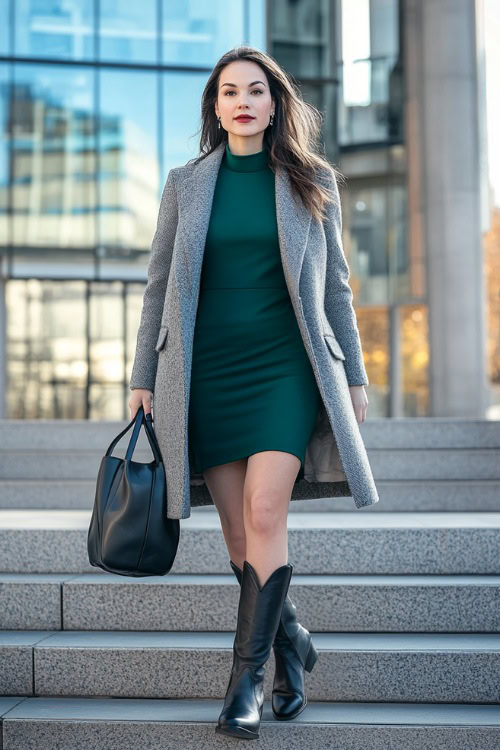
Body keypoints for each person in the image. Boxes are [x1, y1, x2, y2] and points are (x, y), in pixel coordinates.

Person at [129, 45, 371, 741]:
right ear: (215, 106)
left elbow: (336, 290)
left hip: (285, 367)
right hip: (207, 371)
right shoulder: (186, 183)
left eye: (255, 91)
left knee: (267, 511)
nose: (242, 101)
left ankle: (246, 684)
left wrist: (352, 372)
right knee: (238, 536)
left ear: (274, 104)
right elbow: (157, 287)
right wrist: (143, 376)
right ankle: (292, 644)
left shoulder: (311, 180)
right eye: (229, 91)